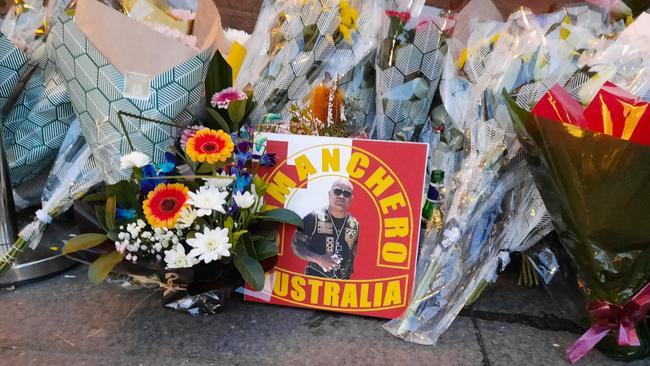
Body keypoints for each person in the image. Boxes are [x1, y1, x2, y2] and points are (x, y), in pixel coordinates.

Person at [291, 179, 360, 279]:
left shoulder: (354, 224)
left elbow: (353, 254)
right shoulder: (313, 218)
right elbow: (296, 245)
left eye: (346, 193)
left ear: (351, 199)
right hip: (315, 279)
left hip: (343, 284)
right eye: (337, 191)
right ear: (329, 194)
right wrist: (319, 259)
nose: (341, 196)